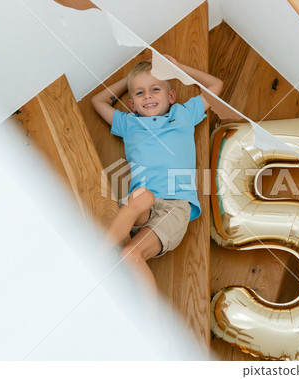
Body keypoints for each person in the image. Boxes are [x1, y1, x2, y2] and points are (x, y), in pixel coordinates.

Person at [91, 54, 223, 296]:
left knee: (129, 254)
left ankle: (151, 325)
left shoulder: (183, 114)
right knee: (142, 195)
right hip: (141, 207)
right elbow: (98, 101)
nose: (148, 96)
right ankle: (92, 261)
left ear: (171, 96)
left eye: (154, 89)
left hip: (174, 208)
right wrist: (129, 79)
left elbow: (216, 86)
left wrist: (180, 68)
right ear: (131, 104)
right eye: (139, 93)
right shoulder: (129, 123)